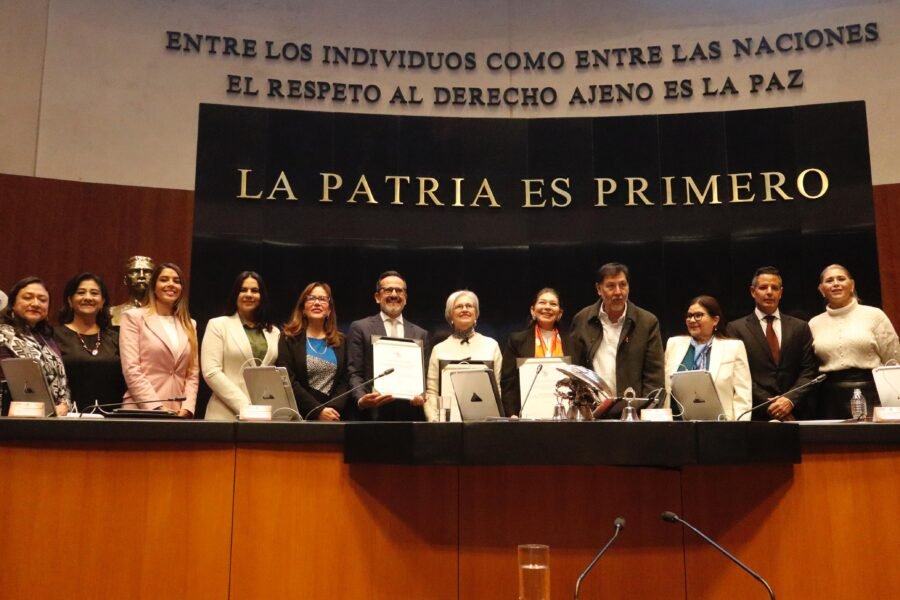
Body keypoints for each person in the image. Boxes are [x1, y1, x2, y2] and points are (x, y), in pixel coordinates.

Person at [726, 267, 820, 421]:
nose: (769, 292)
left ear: (781, 293)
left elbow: (809, 370)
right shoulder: (736, 328)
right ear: (753, 291)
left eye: (774, 288)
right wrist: (769, 404)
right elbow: (738, 374)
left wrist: (789, 400)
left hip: (796, 412)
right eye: (763, 287)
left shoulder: (800, 327)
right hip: (756, 412)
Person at [809, 264, 900, 419]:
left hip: (872, 392)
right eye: (829, 280)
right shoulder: (813, 323)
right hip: (830, 398)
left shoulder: (875, 315)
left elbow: (894, 361)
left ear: (852, 285)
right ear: (821, 289)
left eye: (841, 279)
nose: (836, 283)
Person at [569, 262, 664, 398]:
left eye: (623, 285)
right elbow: (576, 371)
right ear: (599, 289)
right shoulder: (582, 320)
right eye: (611, 286)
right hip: (593, 407)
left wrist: (645, 409)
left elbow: (654, 379)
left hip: (634, 408)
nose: (618, 292)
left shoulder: (647, 322)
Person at [346, 270, 429, 421]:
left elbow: (425, 376)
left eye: (399, 290)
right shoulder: (360, 328)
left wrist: (422, 394)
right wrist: (361, 398)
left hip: (409, 416)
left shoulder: (420, 334)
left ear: (405, 298)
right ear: (377, 297)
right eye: (388, 290)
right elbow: (354, 373)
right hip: (372, 416)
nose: (394, 294)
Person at [118, 262, 199, 417]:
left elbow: (192, 374)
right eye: (164, 279)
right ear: (153, 287)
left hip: (178, 412)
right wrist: (157, 408)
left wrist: (188, 408)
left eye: (176, 281)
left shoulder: (190, 324)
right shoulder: (133, 317)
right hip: (141, 409)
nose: (171, 284)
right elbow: (132, 369)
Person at [201, 271, 281, 420]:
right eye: (243, 290)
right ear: (235, 294)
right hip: (224, 413)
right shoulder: (218, 325)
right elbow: (211, 372)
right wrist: (246, 406)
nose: (249, 294)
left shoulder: (274, 332)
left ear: (262, 296)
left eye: (254, 290)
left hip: (263, 415)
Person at [664, 295, 752, 421]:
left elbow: (743, 395)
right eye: (689, 316)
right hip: (678, 423)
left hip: (721, 424)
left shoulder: (733, 347)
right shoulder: (674, 344)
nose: (692, 320)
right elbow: (664, 389)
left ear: (715, 320)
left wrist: (739, 427)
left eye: (698, 315)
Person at [276, 282, 352, 421]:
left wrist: (332, 410)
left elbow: (345, 380)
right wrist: (318, 411)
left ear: (329, 310)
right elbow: (287, 379)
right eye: (311, 298)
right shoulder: (288, 338)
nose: (317, 303)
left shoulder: (342, 341)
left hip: (333, 418)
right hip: (299, 417)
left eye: (322, 299)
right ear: (303, 308)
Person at [424, 290, 502, 422]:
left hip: (483, 424)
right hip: (447, 425)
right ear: (450, 315)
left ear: (476, 313)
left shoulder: (491, 346)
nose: (464, 309)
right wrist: (434, 421)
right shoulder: (439, 349)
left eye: (469, 306)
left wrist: (493, 422)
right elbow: (432, 392)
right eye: (459, 306)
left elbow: (497, 390)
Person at [53, 272, 126, 410]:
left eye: (94, 293)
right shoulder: (53, 336)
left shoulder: (117, 337)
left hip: (112, 417)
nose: (87, 297)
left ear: (103, 301)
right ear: (70, 300)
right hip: (68, 416)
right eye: (81, 292)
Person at [0, 277, 72, 415]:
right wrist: (48, 410)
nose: (35, 303)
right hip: (12, 419)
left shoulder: (47, 338)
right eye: (27, 298)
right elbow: (10, 384)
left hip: (54, 419)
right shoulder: (2, 334)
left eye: (42, 300)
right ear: (13, 303)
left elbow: (62, 381)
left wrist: (64, 405)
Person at [500, 287, 570, 417]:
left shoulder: (574, 342)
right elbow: (509, 383)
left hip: (565, 416)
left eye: (553, 304)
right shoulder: (517, 341)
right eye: (542, 302)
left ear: (560, 313)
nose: (547, 307)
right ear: (533, 310)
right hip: (526, 417)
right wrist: (512, 413)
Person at [110, 255, 155, 326]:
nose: (141, 276)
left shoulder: (164, 313)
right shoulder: (112, 313)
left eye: (147, 272)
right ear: (125, 280)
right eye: (135, 272)